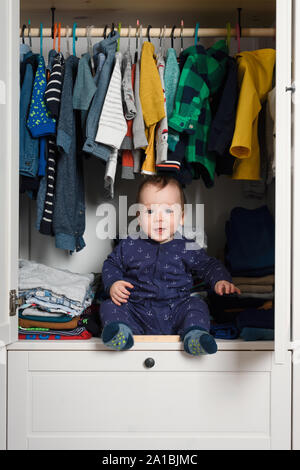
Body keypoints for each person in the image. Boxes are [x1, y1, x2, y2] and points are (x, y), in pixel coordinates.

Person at [99, 175, 240, 355]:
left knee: (197, 305)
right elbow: (111, 264)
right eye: (150, 212)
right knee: (110, 305)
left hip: (177, 309)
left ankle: (194, 336)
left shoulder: (187, 245)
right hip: (137, 309)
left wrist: (220, 279)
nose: (159, 219)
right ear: (138, 218)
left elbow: (208, 265)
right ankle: (121, 333)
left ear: (181, 217)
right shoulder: (130, 244)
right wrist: (114, 283)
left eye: (168, 211)